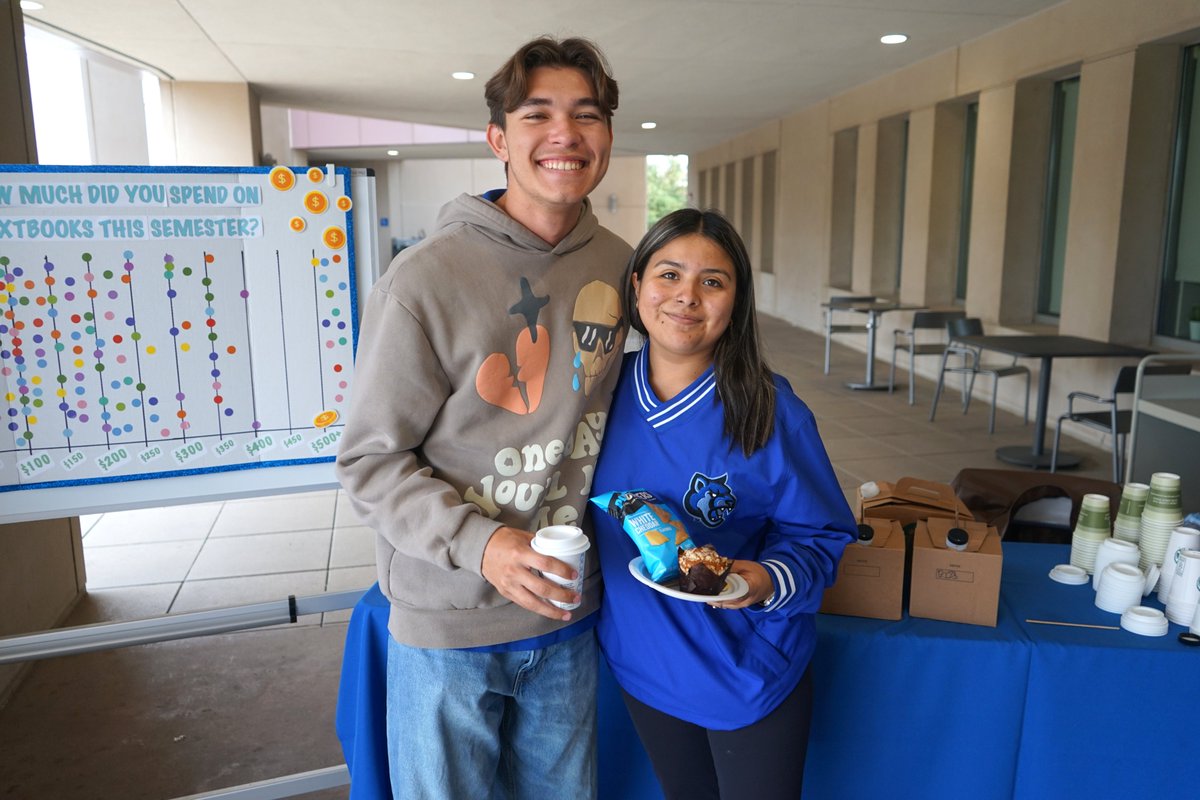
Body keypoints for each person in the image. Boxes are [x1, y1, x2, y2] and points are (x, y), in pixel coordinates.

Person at [335, 36, 630, 800]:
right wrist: (484, 544)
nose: (566, 134)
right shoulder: (425, 278)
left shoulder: (625, 269)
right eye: (538, 114)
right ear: (500, 139)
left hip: (568, 616)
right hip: (449, 624)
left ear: (606, 137)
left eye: (586, 115)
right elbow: (370, 462)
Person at [590, 208, 856, 800]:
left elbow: (821, 536)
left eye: (713, 282)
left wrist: (763, 579)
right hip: (641, 659)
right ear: (636, 286)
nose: (687, 297)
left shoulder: (769, 410)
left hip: (745, 667)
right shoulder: (596, 397)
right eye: (668, 275)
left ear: (735, 302)